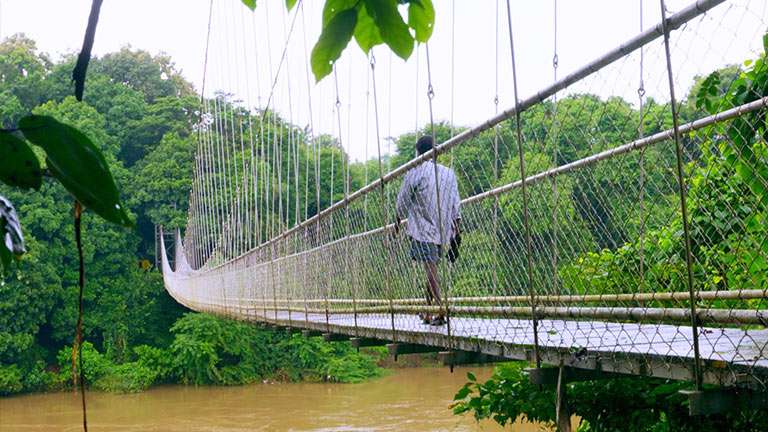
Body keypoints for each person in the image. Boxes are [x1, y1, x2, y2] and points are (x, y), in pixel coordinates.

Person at [395, 136, 461, 326]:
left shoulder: (416, 171)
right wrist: (457, 225)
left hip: (423, 230)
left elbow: (403, 200)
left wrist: (397, 222)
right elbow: (456, 202)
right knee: (431, 268)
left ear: (418, 152)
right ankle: (426, 310)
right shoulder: (449, 173)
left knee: (430, 270)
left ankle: (440, 310)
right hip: (443, 229)